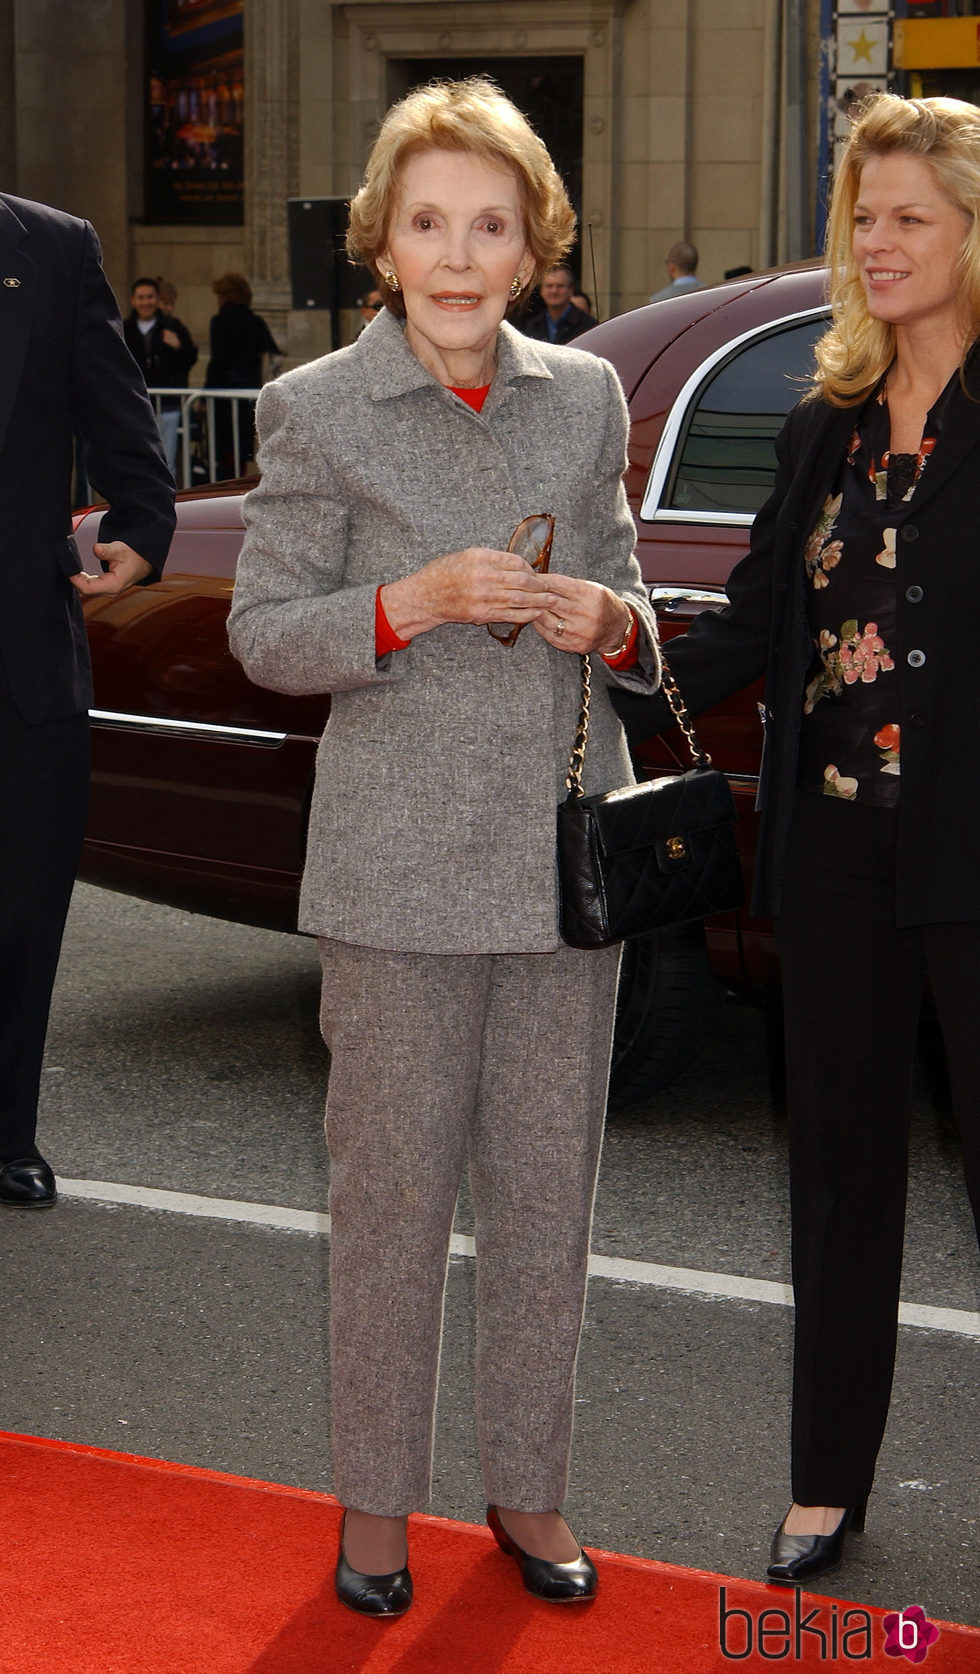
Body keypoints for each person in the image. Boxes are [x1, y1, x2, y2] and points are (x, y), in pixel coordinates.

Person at [228, 76, 660, 1619]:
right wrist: (410, 604)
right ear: (385, 244)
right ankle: (372, 1511)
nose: (461, 256)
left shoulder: (588, 399)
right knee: (391, 1212)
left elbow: (631, 598)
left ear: (537, 241)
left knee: (551, 1202)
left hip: (561, 863)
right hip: (395, 877)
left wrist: (608, 617)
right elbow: (265, 633)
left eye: (491, 224)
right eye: (430, 224)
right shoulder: (314, 408)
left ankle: (529, 1488)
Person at [613, 93, 980, 1587]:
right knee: (836, 1177)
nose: (878, 242)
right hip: (829, 858)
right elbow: (757, 624)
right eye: (864, 217)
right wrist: (608, 649)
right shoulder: (827, 418)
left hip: (975, 860)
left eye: (911, 217)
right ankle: (826, 1480)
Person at [0, 196, 175, 1208]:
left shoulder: (52, 250)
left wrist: (144, 524)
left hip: (19, 641)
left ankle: (6, 1132)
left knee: (21, 907)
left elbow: (115, 408)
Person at [205, 273, 281, 478]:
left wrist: (205, 394)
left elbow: (217, 360)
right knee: (241, 445)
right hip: (248, 391)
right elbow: (271, 351)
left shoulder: (220, 321)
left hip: (224, 392)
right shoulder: (255, 322)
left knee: (223, 446)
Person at [123, 275, 197, 475]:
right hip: (135, 404)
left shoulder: (172, 326)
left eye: (150, 297)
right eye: (141, 298)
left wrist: (178, 346)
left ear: (157, 299)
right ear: (133, 300)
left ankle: (166, 505)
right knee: (137, 459)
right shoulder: (124, 329)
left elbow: (190, 358)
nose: (145, 303)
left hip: (167, 404)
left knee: (167, 461)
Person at [521, 263, 597, 343]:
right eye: (549, 286)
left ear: (570, 290)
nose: (554, 291)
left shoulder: (588, 325)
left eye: (560, 286)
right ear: (541, 291)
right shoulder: (533, 326)